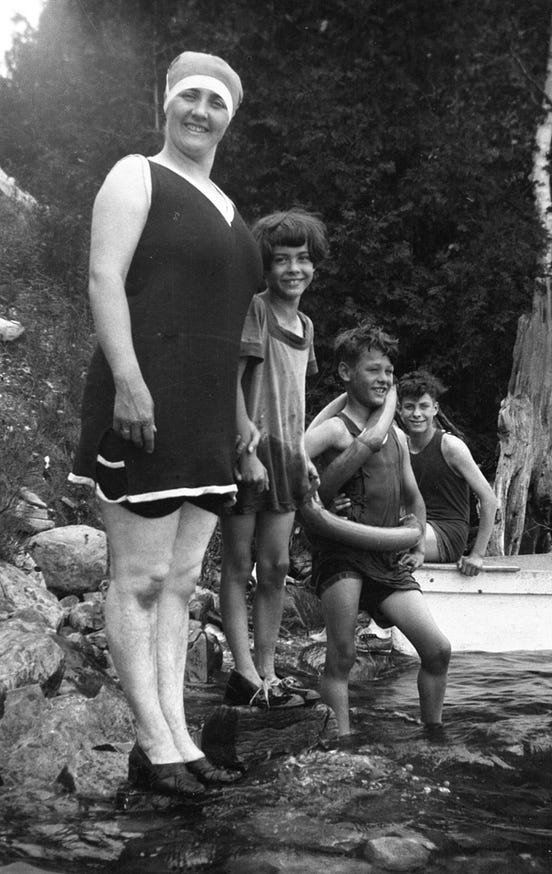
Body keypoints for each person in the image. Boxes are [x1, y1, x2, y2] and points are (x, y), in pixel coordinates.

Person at [69, 52, 265, 798]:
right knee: (141, 577)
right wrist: (127, 381)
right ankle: (152, 746)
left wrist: (242, 416)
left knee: (182, 582)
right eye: (189, 95)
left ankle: (179, 736)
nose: (200, 111)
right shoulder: (135, 175)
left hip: (208, 416)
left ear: (231, 116)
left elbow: (231, 320)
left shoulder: (226, 205)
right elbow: (103, 279)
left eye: (216, 101)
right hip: (143, 399)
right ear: (165, 101)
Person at [303, 326, 451, 736]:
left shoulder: (398, 436)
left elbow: (415, 501)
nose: (385, 378)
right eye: (374, 369)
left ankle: (433, 735)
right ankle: (342, 743)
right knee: (343, 656)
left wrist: (417, 544)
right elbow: (289, 462)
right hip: (342, 554)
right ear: (346, 372)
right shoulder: (335, 430)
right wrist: (321, 495)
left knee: (437, 650)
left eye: (389, 370)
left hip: (387, 558)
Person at [219, 209, 326, 708]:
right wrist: (245, 450)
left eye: (302, 260)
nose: (293, 269)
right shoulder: (255, 310)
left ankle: (267, 672)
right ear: (266, 267)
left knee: (277, 565)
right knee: (239, 563)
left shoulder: (305, 324)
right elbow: (232, 382)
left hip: (285, 458)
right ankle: (242, 671)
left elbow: (295, 398)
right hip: (249, 454)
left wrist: (302, 453)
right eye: (281, 260)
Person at [396, 370, 497, 575]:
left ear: (435, 408)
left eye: (423, 406)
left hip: (447, 533)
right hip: (412, 525)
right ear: (399, 410)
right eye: (409, 407)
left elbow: (489, 499)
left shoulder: (450, 446)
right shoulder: (400, 446)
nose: (417, 414)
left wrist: (477, 555)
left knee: (388, 542)